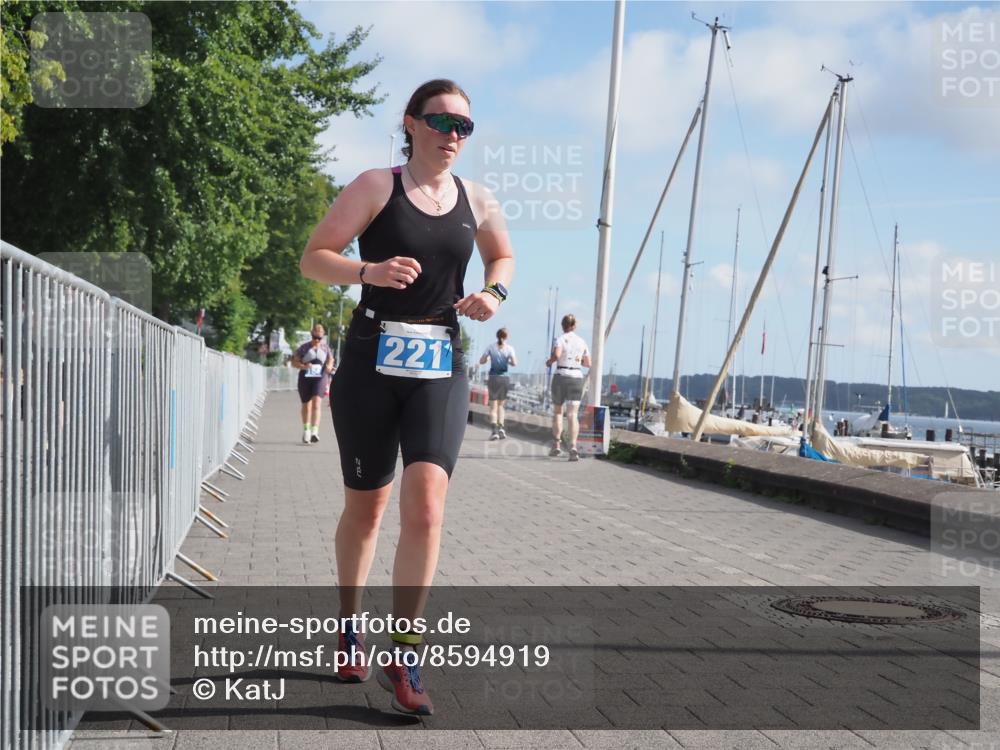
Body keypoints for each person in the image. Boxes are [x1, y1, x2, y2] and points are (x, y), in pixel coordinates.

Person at [299, 79, 514, 715]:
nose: (454, 135)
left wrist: (493, 296)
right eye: (442, 122)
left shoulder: (478, 198)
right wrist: (367, 271)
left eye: (464, 127)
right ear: (412, 123)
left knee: (425, 509)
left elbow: (502, 259)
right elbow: (314, 258)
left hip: (439, 362)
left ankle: (406, 651)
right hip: (371, 360)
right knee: (366, 510)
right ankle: (346, 623)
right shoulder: (375, 185)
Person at [545, 314, 591, 462]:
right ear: (575, 326)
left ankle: (556, 445)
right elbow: (588, 363)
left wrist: (549, 361)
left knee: (558, 412)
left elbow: (557, 354)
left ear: (562, 325)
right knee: (573, 415)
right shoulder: (582, 341)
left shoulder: (561, 339)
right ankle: (573, 447)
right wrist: (578, 362)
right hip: (576, 377)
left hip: (561, 376)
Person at [291, 325, 335, 444]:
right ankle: (307, 431)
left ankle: (315, 431)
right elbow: (294, 361)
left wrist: (329, 367)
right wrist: (304, 366)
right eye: (315, 337)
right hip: (305, 377)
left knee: (317, 402)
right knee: (306, 404)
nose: (317, 340)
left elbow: (331, 360)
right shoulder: (304, 348)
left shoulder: (326, 348)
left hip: (320, 377)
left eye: (319, 338)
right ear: (312, 334)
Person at [480, 327, 517, 440]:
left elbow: (481, 361)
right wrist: (507, 361)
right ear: (506, 337)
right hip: (504, 379)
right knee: (501, 405)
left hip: (493, 378)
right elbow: (514, 363)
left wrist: (488, 359)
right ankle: (501, 428)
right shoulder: (510, 348)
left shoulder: (491, 347)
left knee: (493, 407)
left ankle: (494, 431)